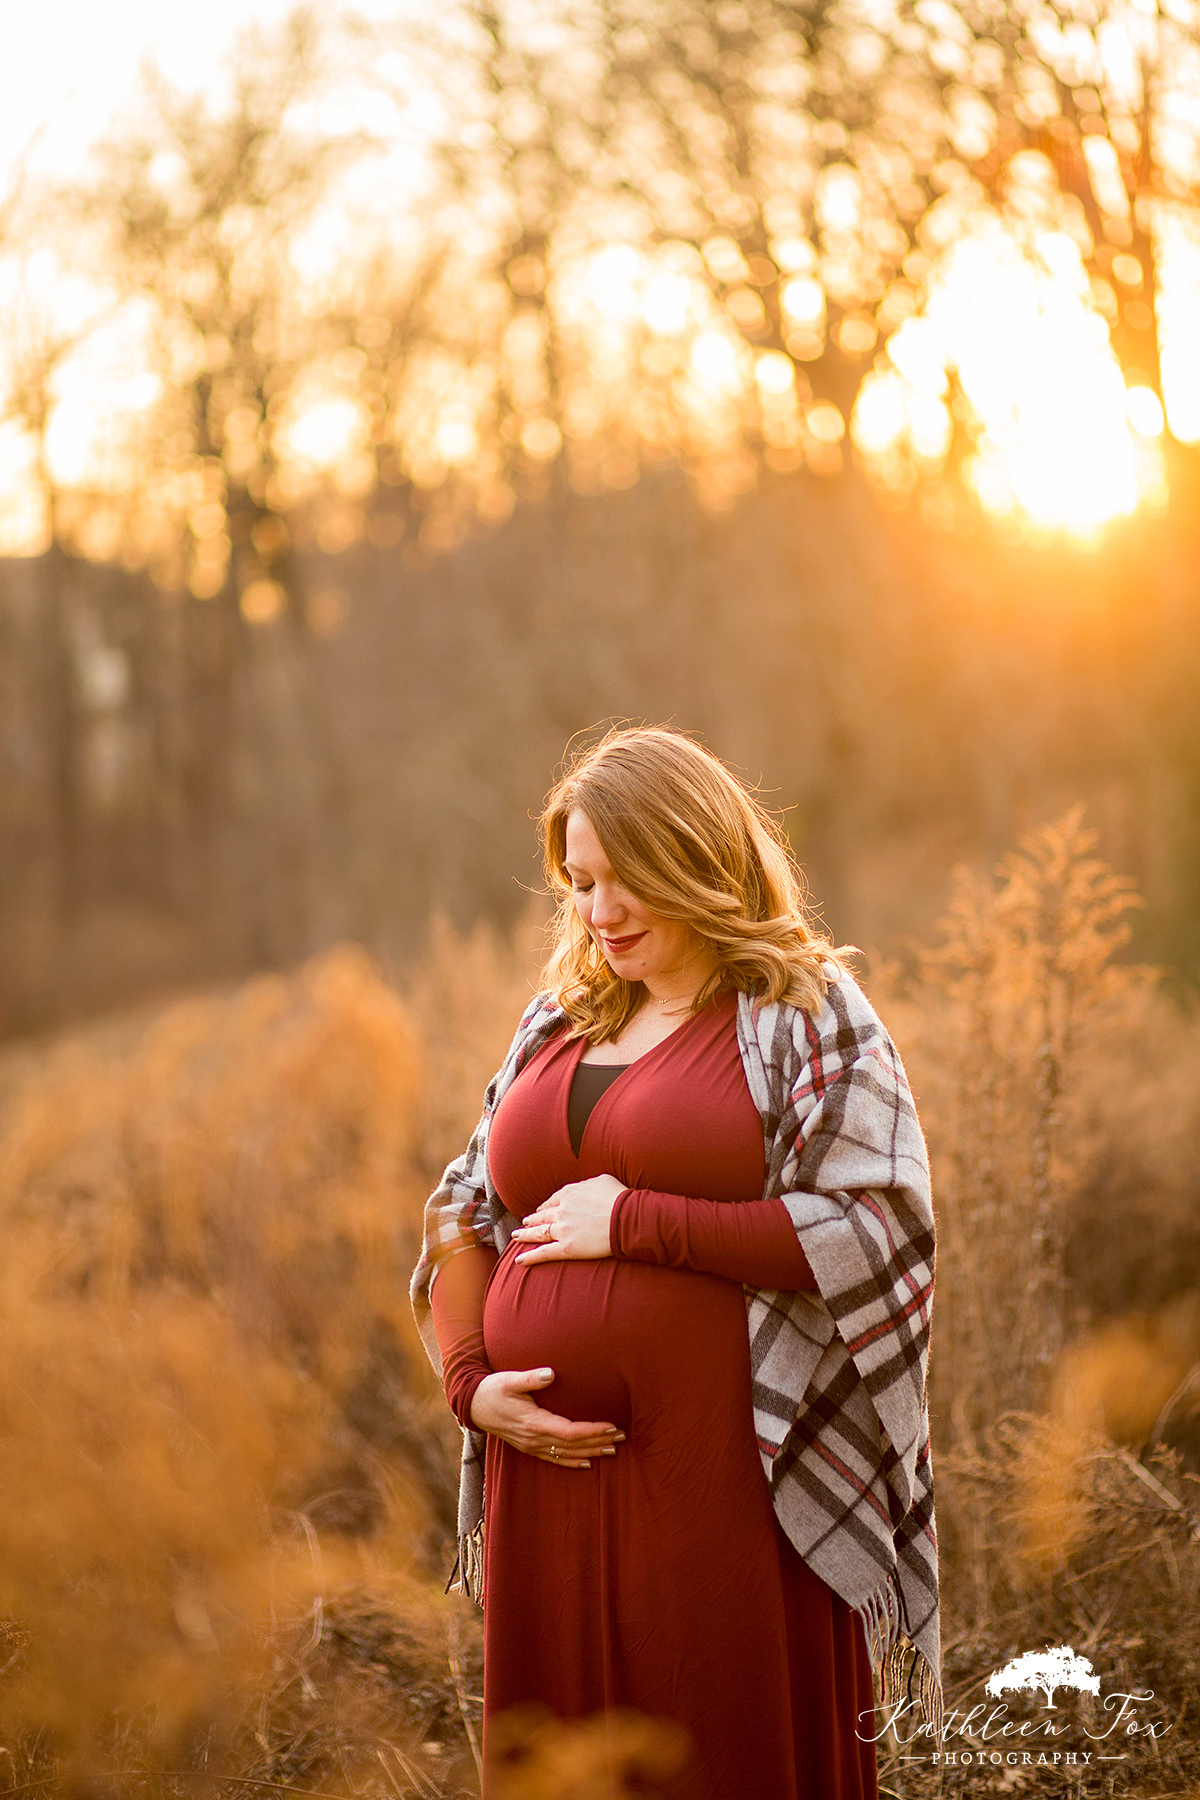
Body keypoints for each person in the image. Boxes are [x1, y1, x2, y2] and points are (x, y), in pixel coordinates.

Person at [410, 726, 940, 1800]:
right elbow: (460, 1217)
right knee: (563, 1766)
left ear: (695, 853)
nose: (600, 913)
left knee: (722, 1752)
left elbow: (876, 1231)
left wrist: (640, 1222)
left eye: (625, 878)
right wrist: (471, 1387)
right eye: (581, 883)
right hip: (545, 1493)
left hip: (733, 1487)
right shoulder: (553, 1023)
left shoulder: (803, 1013)